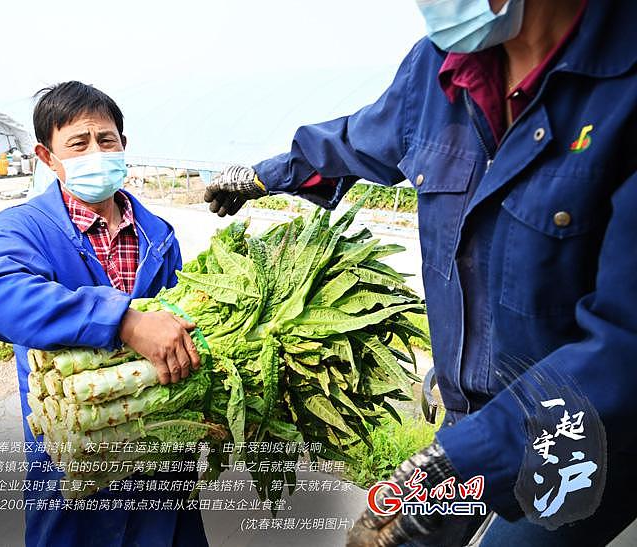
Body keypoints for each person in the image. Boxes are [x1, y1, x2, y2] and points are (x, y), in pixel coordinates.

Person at [203, 1, 637, 545]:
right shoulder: (437, 69)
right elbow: (360, 138)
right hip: (468, 416)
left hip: (578, 438)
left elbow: (626, 346)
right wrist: (267, 175)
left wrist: (455, 464)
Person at [0, 81, 208, 547]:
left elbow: (180, 321)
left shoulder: (158, 233)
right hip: (75, 443)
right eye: (78, 143)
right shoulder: (26, 227)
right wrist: (123, 320)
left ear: (124, 145)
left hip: (158, 443)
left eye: (107, 140)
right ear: (47, 157)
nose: (96, 151)